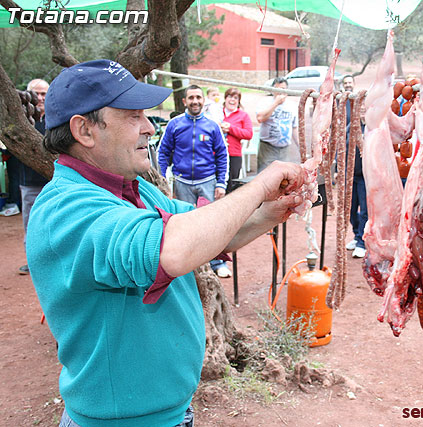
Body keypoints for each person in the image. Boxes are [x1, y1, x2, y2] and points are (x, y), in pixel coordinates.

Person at [26, 59, 304, 427]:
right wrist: (258, 186)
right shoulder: (66, 208)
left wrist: (271, 211)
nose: (148, 128)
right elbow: (171, 249)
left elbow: (210, 232)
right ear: (85, 130)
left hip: (167, 414)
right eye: (132, 116)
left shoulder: (136, 191)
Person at [158, 85, 231, 277]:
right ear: (185, 101)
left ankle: (217, 263)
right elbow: (163, 152)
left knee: (212, 223)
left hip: (207, 181)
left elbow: (223, 155)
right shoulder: (174, 125)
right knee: (184, 224)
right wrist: (162, 178)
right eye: (191, 98)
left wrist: (221, 183)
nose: (195, 101)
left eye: (198, 97)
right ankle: (191, 266)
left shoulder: (212, 125)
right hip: (182, 182)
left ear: (203, 100)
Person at [18, 78, 50, 275]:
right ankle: (34, 262)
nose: (39, 98)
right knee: (31, 224)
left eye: (43, 94)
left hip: (53, 181)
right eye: (36, 94)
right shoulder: (21, 120)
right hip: (29, 183)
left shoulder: (56, 119)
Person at [341, 75, 368, 258]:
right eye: (361, 109)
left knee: (365, 209)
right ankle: (356, 233)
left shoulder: (374, 127)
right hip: (350, 173)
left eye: (366, 109)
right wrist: (338, 170)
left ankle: (362, 241)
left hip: (367, 176)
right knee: (351, 208)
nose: (363, 112)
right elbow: (342, 147)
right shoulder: (352, 126)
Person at [256, 77, 299, 172]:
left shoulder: (292, 105)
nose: (280, 92)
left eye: (283, 89)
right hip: (268, 147)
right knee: (265, 176)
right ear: (272, 90)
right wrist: (276, 103)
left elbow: (294, 127)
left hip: (284, 149)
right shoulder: (265, 102)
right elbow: (260, 118)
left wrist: (300, 146)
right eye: (277, 89)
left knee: (283, 177)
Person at [220, 87, 253, 192]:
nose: (232, 100)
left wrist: (230, 128)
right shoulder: (217, 113)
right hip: (216, 153)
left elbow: (248, 134)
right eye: (230, 96)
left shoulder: (243, 116)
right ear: (225, 98)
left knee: (231, 185)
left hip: (233, 154)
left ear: (239, 101)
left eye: (235, 98)